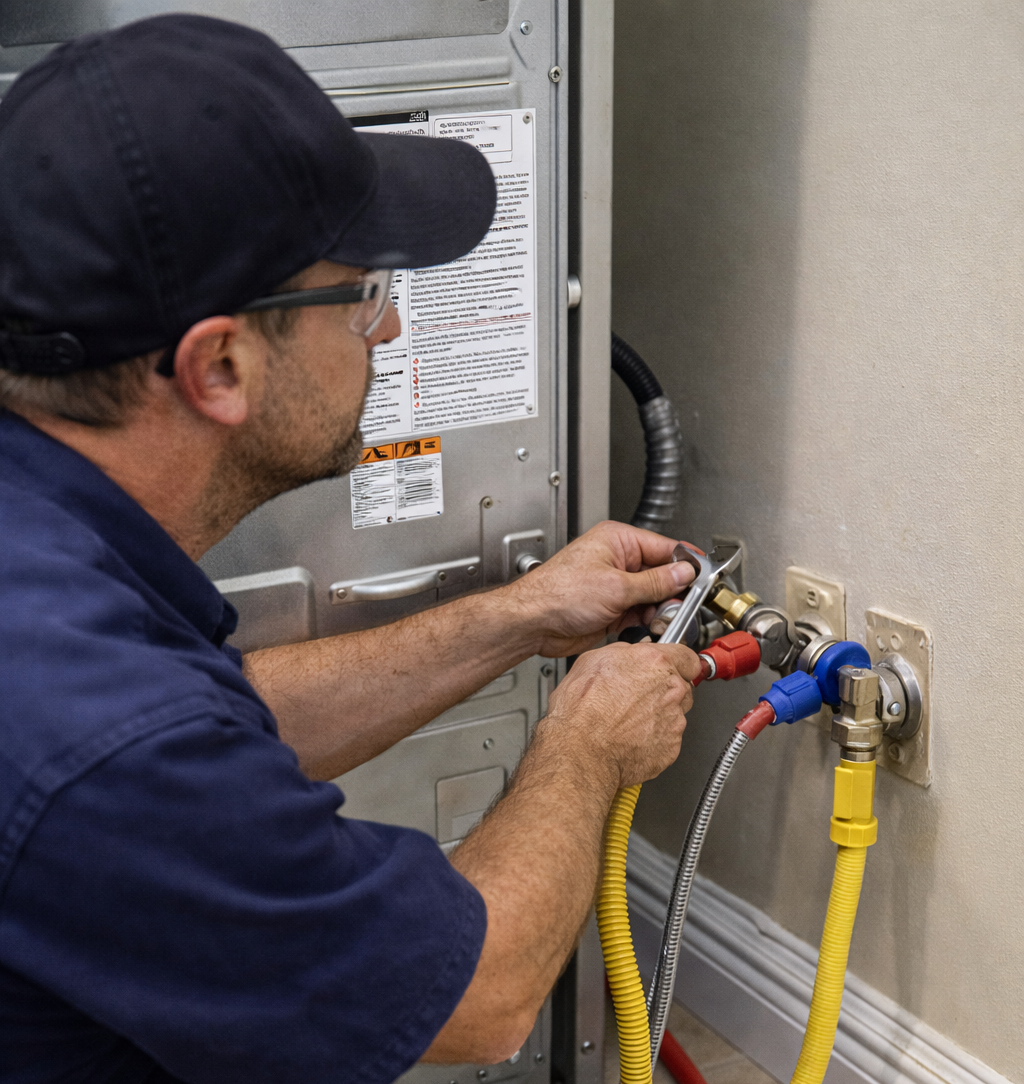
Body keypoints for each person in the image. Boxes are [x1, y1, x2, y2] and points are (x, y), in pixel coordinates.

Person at [0, 15, 700, 1084]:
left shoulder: (49, 573)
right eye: (364, 293)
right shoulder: (99, 730)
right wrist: (589, 743)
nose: (388, 331)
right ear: (219, 366)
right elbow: (478, 1001)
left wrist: (512, 617)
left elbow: (208, 726)